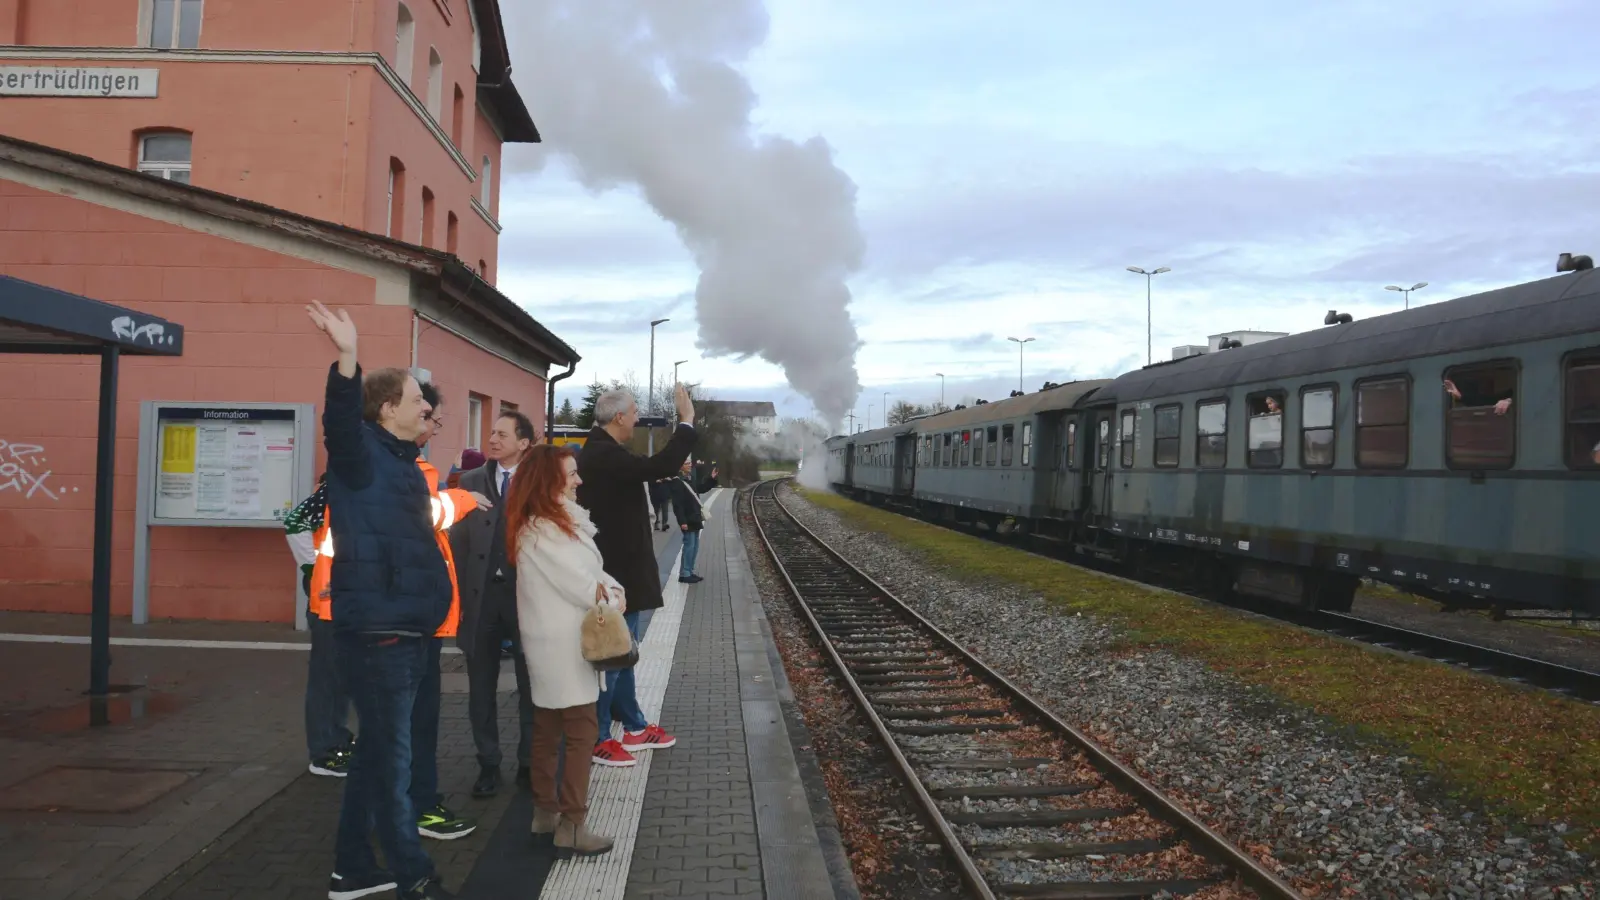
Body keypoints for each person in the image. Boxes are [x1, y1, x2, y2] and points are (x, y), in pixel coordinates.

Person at [305, 300, 454, 900]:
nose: (429, 408)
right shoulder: (361, 455)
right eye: (420, 400)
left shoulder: (405, 464)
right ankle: (412, 876)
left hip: (408, 626)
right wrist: (347, 358)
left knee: (375, 754)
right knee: (393, 761)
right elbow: (339, 422)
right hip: (380, 630)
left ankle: (352, 869)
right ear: (388, 407)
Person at [505, 444, 618, 857]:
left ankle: (545, 813)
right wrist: (615, 597)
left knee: (548, 730)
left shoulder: (543, 526)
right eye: (571, 474)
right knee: (581, 732)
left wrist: (607, 588)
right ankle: (572, 823)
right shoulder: (549, 531)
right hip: (566, 647)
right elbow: (588, 588)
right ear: (551, 481)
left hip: (550, 643)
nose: (579, 481)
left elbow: (592, 577)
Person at [577, 386, 696, 769]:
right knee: (613, 655)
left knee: (623, 653)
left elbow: (646, 473)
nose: (637, 418)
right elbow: (657, 466)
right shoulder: (602, 453)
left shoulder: (604, 451)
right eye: (633, 413)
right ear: (618, 418)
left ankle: (632, 724)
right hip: (616, 571)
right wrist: (686, 422)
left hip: (621, 569)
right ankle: (598, 739)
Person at [449, 412, 537, 797]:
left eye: (502, 434)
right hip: (481, 599)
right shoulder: (470, 482)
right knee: (480, 687)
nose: (493, 439)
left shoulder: (539, 483)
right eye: (492, 433)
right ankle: (488, 764)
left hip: (526, 600)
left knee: (532, 684)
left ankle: (530, 762)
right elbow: (458, 545)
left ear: (524, 443)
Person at [284, 474, 353, 778]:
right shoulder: (338, 486)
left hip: (344, 594)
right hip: (327, 596)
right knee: (328, 675)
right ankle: (324, 752)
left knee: (341, 674)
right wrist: (316, 571)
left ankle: (336, 739)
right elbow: (295, 522)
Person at [668, 459, 706, 584]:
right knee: (689, 546)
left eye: (690, 463)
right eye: (686, 464)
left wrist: (711, 479)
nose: (690, 465)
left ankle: (689, 570)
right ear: (680, 467)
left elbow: (699, 489)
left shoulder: (689, 479)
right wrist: (682, 521)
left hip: (694, 517)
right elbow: (677, 504)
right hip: (688, 519)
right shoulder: (677, 482)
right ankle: (685, 573)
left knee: (694, 546)